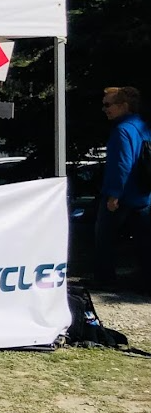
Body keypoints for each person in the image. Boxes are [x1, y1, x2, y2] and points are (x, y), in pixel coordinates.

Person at [93, 86, 151, 291]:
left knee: (104, 239)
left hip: (123, 195)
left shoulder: (122, 130)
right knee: (144, 241)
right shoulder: (142, 126)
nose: (104, 109)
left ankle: (104, 280)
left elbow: (123, 164)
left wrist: (113, 195)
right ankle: (145, 280)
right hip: (143, 194)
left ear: (123, 106)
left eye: (108, 105)